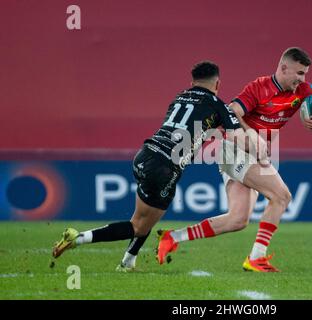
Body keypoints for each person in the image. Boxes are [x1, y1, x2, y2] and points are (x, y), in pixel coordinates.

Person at [52, 61, 257, 271]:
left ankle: (127, 262)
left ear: (192, 81)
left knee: (145, 219)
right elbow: (238, 139)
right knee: (138, 226)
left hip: (144, 155)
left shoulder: (179, 97)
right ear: (218, 84)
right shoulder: (217, 104)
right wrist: (257, 147)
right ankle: (78, 238)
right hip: (165, 167)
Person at [156, 47, 312, 272]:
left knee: (237, 220)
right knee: (281, 196)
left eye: (305, 73)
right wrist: (250, 134)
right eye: (299, 73)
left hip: (253, 155)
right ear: (284, 68)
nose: (302, 79)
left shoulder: (303, 90)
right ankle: (256, 258)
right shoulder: (260, 87)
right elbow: (232, 110)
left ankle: (173, 237)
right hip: (235, 149)